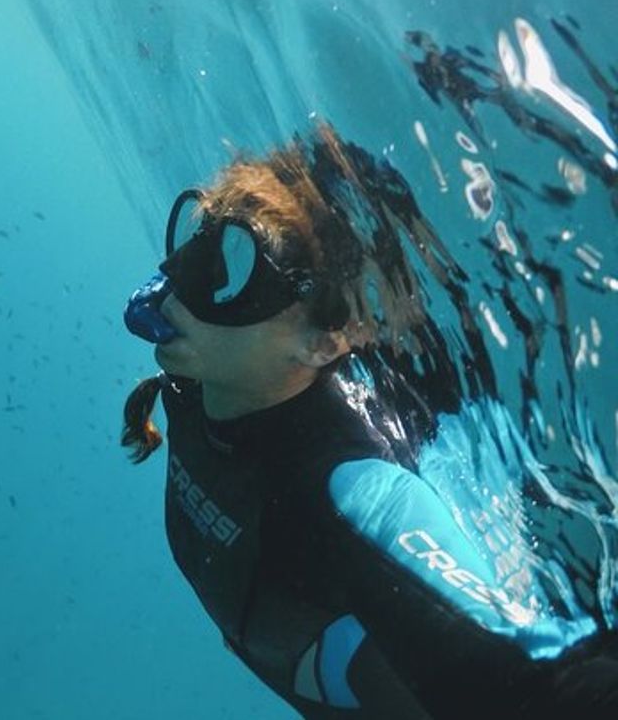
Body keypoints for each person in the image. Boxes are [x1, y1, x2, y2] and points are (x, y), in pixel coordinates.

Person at [120, 123, 618, 719]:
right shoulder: (195, 383)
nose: (180, 275)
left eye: (232, 266)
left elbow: (538, 685)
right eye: (198, 237)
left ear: (321, 343)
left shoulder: (351, 503)